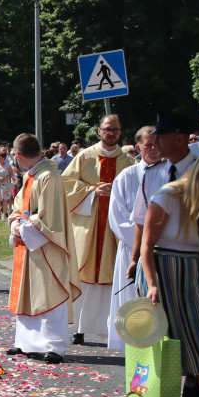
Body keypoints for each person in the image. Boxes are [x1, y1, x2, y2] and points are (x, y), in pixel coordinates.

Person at [128, 111, 199, 397]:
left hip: (195, 266)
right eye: (153, 136)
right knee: (161, 348)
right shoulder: (151, 174)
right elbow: (139, 223)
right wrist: (134, 262)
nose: (154, 141)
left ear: (180, 137)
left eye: (161, 136)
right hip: (156, 267)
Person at [138, 151, 199, 397]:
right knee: (165, 353)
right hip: (162, 273)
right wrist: (152, 284)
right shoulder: (168, 196)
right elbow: (146, 245)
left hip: (194, 274)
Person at [7, 133, 80, 364]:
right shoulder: (31, 175)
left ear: (18, 155)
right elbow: (19, 205)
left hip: (48, 244)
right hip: (29, 243)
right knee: (28, 292)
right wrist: (15, 222)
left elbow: (50, 217)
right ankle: (26, 342)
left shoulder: (49, 176)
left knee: (50, 291)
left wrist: (23, 225)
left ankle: (54, 345)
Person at [62, 114, 135, 345]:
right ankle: (77, 328)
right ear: (99, 131)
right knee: (83, 274)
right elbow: (65, 185)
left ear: (120, 132)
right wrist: (91, 191)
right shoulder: (85, 156)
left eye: (115, 129)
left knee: (111, 276)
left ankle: (108, 328)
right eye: (107, 129)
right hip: (87, 227)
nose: (111, 133)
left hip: (114, 230)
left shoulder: (127, 161)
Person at [107, 126, 160, 350]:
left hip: (162, 248)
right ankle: (130, 341)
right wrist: (143, 242)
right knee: (132, 301)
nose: (155, 149)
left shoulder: (169, 172)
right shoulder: (127, 177)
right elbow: (117, 218)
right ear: (138, 148)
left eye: (158, 143)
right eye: (149, 145)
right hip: (132, 248)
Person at [0, 150, 16, 219]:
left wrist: (5, 178)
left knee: (5, 199)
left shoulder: (8, 166)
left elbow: (11, 174)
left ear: (3, 158)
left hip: (5, 184)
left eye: (0, 157)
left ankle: (4, 214)